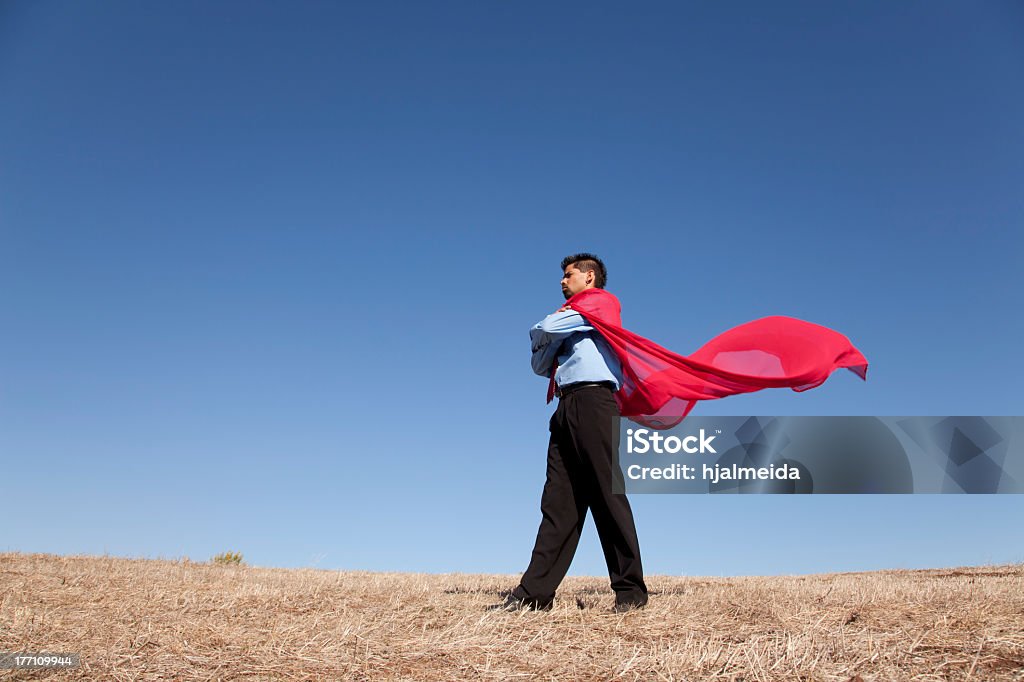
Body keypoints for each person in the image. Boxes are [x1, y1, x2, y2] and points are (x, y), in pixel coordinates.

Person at [488, 253, 649, 614]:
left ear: (589, 277)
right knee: (558, 502)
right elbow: (538, 364)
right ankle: (534, 595)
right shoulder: (572, 318)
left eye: (569, 275)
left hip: (595, 400)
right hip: (565, 407)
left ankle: (630, 593)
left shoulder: (602, 303)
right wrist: (547, 332)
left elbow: (542, 331)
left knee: (607, 493)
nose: (562, 281)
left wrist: (547, 330)